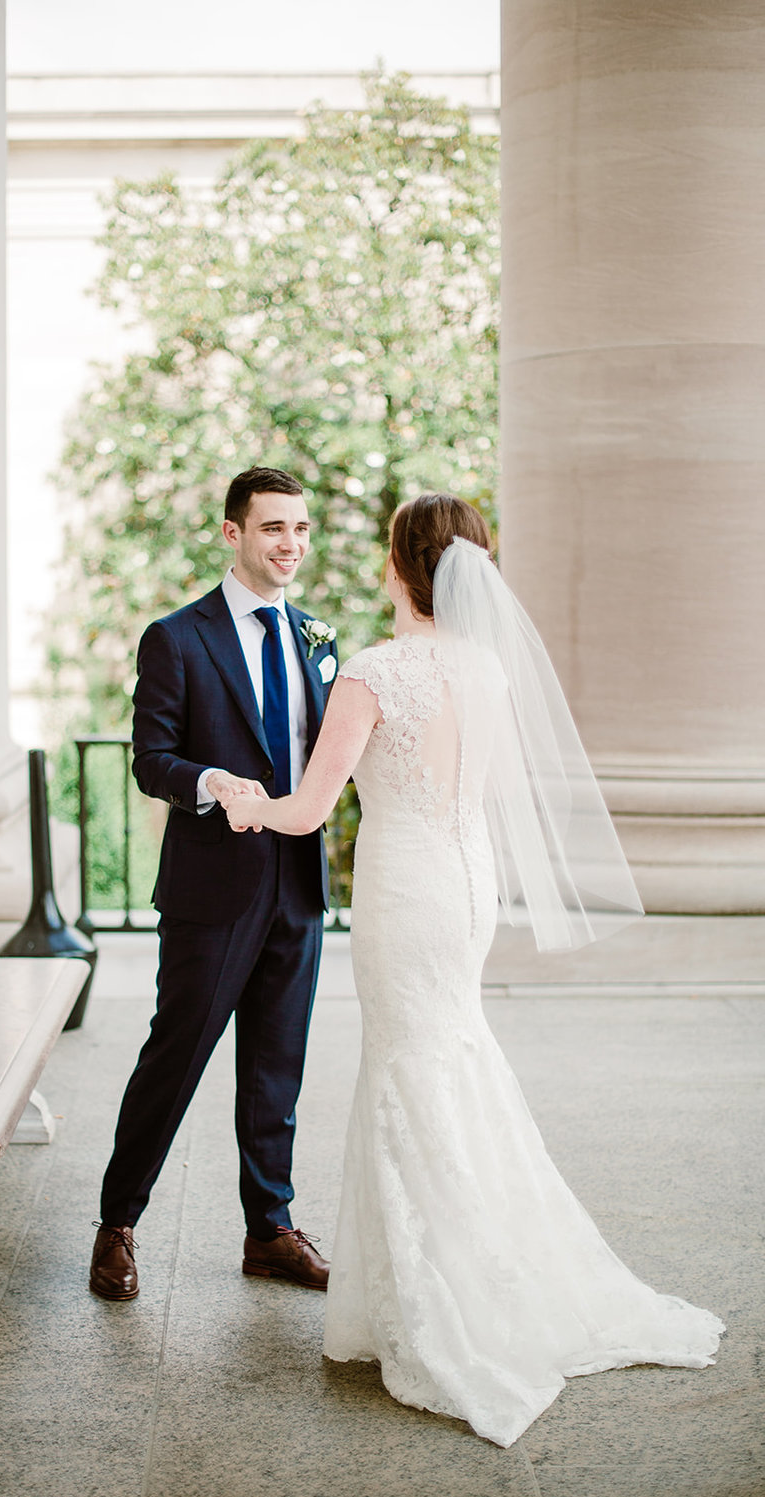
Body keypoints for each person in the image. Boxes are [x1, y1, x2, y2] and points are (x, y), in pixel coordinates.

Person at [225, 492, 724, 1448]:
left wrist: (242, 797)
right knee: (450, 1056)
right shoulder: (490, 670)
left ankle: (437, 1303)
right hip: (466, 887)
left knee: (410, 1069)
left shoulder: (371, 673)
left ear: (402, 567)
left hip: (406, 891)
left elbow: (306, 809)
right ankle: (468, 1271)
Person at [89, 467, 339, 1301]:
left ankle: (269, 1231)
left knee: (277, 1068)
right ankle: (116, 1223)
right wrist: (214, 784)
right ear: (233, 534)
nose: (291, 545)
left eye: (300, 530)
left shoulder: (315, 637)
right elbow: (151, 761)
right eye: (274, 528)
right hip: (211, 892)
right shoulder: (178, 637)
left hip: (296, 888)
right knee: (176, 1058)